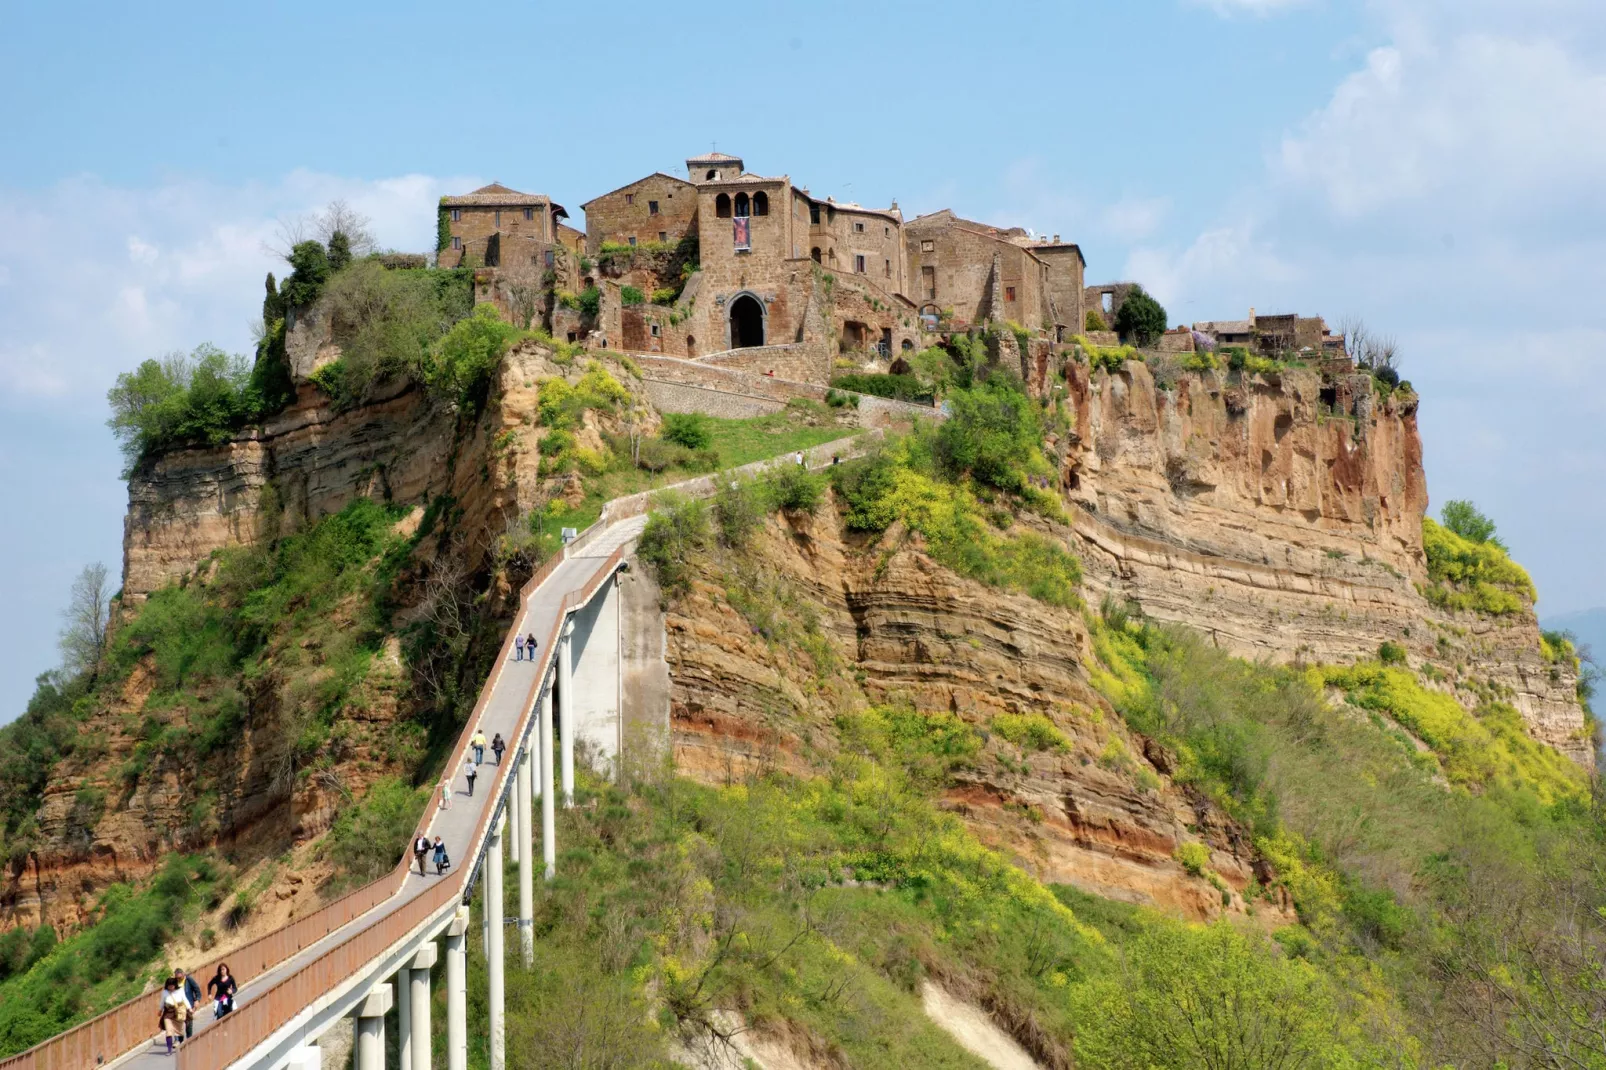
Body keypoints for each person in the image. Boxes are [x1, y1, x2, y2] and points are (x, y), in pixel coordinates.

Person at [159, 977, 185, 1054]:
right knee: (168, 1032)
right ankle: (169, 1050)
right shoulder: (164, 992)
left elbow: (185, 1000)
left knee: (180, 1031)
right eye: (169, 985)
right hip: (167, 1014)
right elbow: (162, 1002)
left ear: (175, 985)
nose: (170, 987)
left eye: (172, 985)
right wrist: (160, 1010)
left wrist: (190, 1008)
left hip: (178, 1013)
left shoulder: (180, 991)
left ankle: (180, 1043)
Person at [176, 968, 201, 1039]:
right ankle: (179, 1042)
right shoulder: (174, 983)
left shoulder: (189, 980)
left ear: (183, 974)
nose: (179, 979)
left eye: (180, 977)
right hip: (178, 1007)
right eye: (177, 978)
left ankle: (189, 1040)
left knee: (188, 1025)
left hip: (188, 1006)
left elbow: (197, 989)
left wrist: (197, 1000)